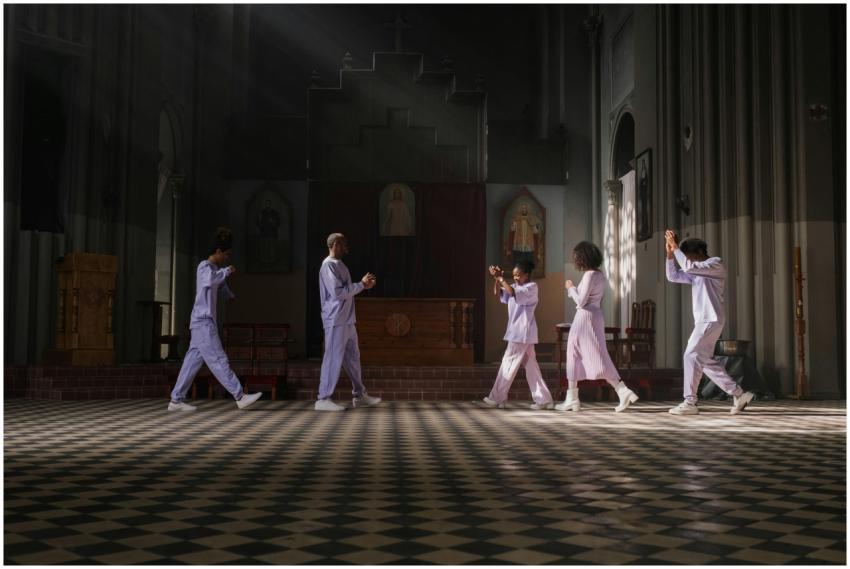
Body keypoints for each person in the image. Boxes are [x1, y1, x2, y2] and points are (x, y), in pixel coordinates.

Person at [169, 227, 262, 411]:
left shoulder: (213, 269)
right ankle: (239, 395)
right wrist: (226, 271)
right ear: (218, 251)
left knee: (192, 362)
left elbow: (219, 285)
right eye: (225, 254)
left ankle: (176, 400)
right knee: (219, 359)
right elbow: (211, 281)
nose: (227, 257)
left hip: (201, 322)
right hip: (203, 322)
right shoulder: (204, 267)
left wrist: (229, 294)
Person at [664, 230, 754, 415]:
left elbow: (688, 267)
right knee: (704, 362)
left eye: (687, 255)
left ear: (698, 253)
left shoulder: (715, 264)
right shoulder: (696, 269)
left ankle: (689, 402)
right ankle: (739, 394)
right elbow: (673, 276)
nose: (687, 260)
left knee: (690, 355)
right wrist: (670, 255)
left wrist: (676, 248)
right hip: (705, 320)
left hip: (710, 318)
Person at [556, 241, 639, 413]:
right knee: (583, 353)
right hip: (594, 316)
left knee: (584, 354)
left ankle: (620, 390)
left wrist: (571, 288)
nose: (575, 260)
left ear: (582, 258)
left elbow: (581, 301)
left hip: (585, 317)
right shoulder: (599, 275)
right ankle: (574, 398)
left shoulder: (589, 275)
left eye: (576, 257)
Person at [317, 233, 382, 411]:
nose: (347, 247)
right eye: (344, 243)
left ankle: (359, 394)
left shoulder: (339, 264)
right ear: (335, 244)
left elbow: (346, 291)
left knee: (353, 357)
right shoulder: (328, 266)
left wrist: (363, 286)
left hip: (346, 319)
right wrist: (360, 284)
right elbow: (338, 293)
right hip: (336, 319)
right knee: (332, 357)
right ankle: (323, 398)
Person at [482, 260, 554, 410]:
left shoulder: (532, 287)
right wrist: (497, 279)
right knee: (531, 367)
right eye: (513, 275)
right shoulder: (514, 286)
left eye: (518, 275)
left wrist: (502, 279)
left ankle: (496, 397)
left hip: (522, 332)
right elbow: (499, 293)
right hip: (519, 333)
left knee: (508, 363)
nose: (515, 278)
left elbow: (512, 292)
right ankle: (544, 400)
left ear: (526, 275)